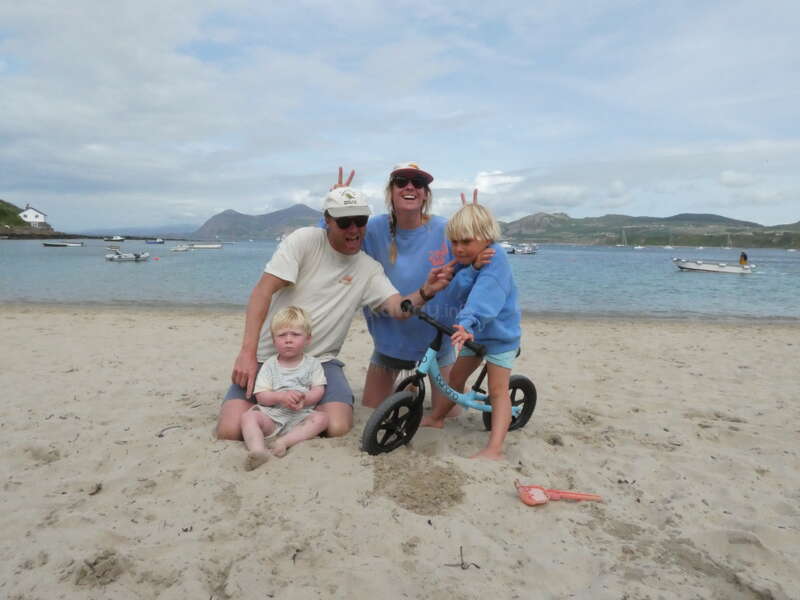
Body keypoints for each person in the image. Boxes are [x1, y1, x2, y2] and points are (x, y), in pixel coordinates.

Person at [216, 186, 455, 441]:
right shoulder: (305, 241)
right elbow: (261, 293)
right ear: (328, 220)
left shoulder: (368, 268)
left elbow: (399, 308)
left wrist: (426, 291)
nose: (353, 229)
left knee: (339, 426)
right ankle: (286, 415)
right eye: (344, 222)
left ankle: (287, 420)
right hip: (270, 356)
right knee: (229, 430)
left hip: (321, 361)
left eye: (360, 221)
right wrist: (247, 353)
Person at [333, 164, 492, 417]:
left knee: (451, 416)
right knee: (373, 410)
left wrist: (476, 226)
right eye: (402, 181)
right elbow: (333, 241)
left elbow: (477, 262)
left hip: (437, 343)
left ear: (425, 193)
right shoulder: (372, 229)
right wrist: (338, 207)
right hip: (389, 343)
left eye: (418, 182)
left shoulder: (446, 229)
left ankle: (410, 391)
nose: (410, 186)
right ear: (391, 191)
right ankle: (408, 391)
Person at [421, 200, 521, 461]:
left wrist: (467, 324)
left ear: (486, 238)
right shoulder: (466, 261)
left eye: (466, 241)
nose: (458, 248)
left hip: (498, 336)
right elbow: (454, 294)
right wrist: (470, 269)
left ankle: (495, 448)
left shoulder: (495, 257)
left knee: (498, 390)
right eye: (454, 242)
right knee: (455, 377)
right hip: (473, 332)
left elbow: (484, 297)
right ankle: (437, 417)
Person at [241, 306, 328, 470]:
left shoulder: (313, 364)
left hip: (301, 416)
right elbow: (261, 396)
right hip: (273, 416)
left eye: (295, 334)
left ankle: (284, 442)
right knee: (248, 417)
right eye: (282, 335)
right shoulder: (270, 365)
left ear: (308, 339)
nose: (288, 340)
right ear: (274, 341)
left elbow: (318, 389)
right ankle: (258, 450)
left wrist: (305, 398)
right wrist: (280, 397)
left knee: (322, 419)